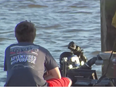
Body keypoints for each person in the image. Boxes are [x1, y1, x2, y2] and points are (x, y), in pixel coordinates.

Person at [4, 20, 72, 87]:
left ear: (15, 35)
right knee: (67, 80)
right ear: (34, 35)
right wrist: (43, 77)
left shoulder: (9, 50)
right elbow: (57, 76)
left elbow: (14, 74)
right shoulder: (42, 50)